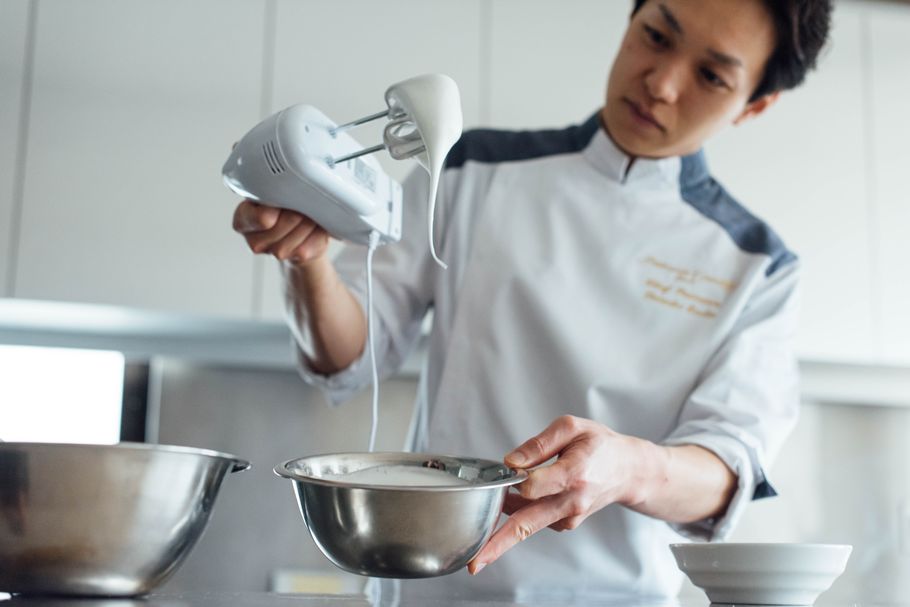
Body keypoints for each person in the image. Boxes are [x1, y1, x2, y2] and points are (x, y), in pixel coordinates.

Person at [232, 0, 832, 601]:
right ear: (629, 23)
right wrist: (307, 264)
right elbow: (351, 354)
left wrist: (630, 467)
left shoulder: (757, 265)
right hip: (434, 591)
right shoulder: (470, 169)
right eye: (655, 36)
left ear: (755, 103)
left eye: (711, 76)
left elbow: (727, 470)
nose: (662, 83)